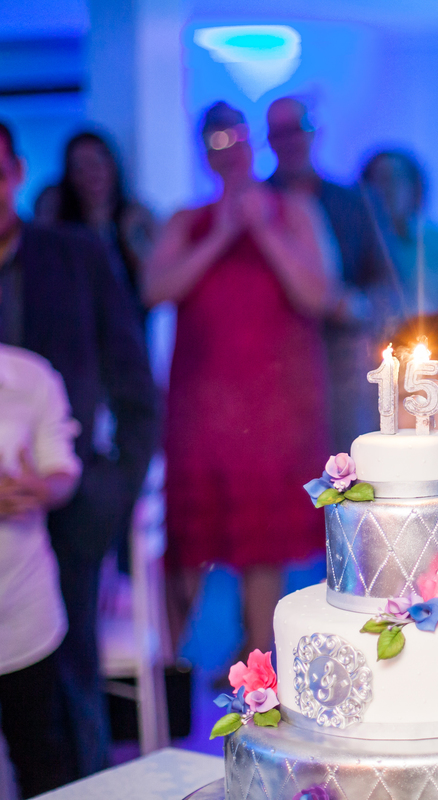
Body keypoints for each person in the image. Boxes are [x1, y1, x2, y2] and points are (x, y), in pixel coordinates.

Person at [144, 102, 332, 664]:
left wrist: (262, 232)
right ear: (204, 153)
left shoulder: (292, 211)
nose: (229, 151)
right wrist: (220, 236)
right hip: (203, 404)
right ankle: (172, 669)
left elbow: (318, 294)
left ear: (252, 145)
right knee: (189, 536)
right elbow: (154, 290)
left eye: (236, 138)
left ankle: (258, 668)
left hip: (275, 403)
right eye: (216, 142)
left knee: (262, 543)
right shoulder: (187, 220)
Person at [0, 121, 158, 779]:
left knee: (70, 690)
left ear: (14, 172)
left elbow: (132, 383)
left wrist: (111, 493)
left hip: (72, 506)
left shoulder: (74, 254)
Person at [266, 96, 391, 453]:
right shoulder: (258, 203)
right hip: (275, 358)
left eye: (297, 130)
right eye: (280, 133)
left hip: (340, 357)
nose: (290, 141)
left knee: (342, 454)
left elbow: (382, 280)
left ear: (313, 133)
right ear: (270, 140)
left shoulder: (354, 201)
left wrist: (356, 308)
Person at [0, 345, 82, 797]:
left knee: (44, 760)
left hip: (25, 612)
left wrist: (41, 488)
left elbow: (62, 471)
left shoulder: (30, 377)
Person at [37, 131, 158, 332]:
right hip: (73, 337)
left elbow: (153, 286)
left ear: (112, 166)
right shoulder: (59, 226)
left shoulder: (135, 219)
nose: (92, 173)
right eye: (81, 167)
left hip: (130, 336)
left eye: (97, 162)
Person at [361, 149, 438, 323]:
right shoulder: (352, 242)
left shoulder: (436, 241)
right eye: (380, 180)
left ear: (415, 187)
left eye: (397, 179)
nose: (388, 189)